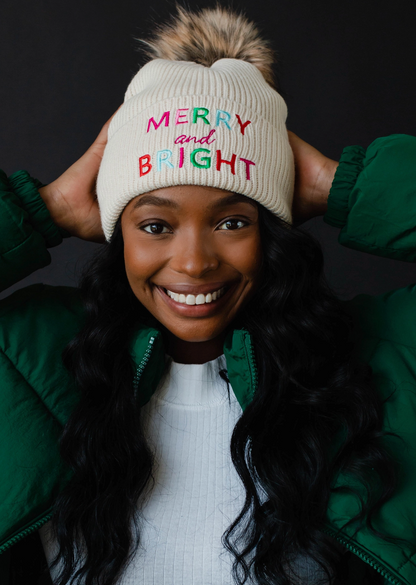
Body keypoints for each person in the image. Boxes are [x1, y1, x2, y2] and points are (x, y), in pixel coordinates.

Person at [0, 5, 415, 585]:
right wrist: (41, 211)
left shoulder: (378, 357)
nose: (194, 263)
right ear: (118, 234)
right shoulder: (26, 360)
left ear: (271, 232)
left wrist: (336, 185)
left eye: (231, 222)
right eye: (154, 226)